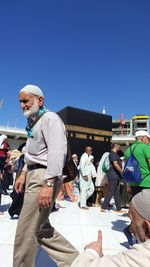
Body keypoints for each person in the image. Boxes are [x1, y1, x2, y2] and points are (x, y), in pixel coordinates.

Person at [13, 84, 78, 267]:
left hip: (44, 176)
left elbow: (57, 152)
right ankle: (79, 261)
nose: (22, 105)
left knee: (25, 232)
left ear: (39, 100)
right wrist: (23, 173)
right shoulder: (33, 121)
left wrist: (48, 185)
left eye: (25, 101)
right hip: (35, 174)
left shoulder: (50, 119)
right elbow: (31, 153)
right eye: (20, 102)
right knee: (41, 228)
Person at [71, 189, 150, 267]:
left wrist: (91, 251)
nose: (131, 229)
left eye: (132, 222)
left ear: (147, 227)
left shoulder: (144, 254)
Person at [101, 143, 123, 212]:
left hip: (115, 176)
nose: (119, 147)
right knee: (111, 191)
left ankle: (118, 209)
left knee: (116, 192)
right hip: (113, 176)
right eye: (119, 146)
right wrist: (122, 172)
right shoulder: (113, 154)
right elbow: (115, 165)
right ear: (116, 146)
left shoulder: (115, 154)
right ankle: (103, 207)